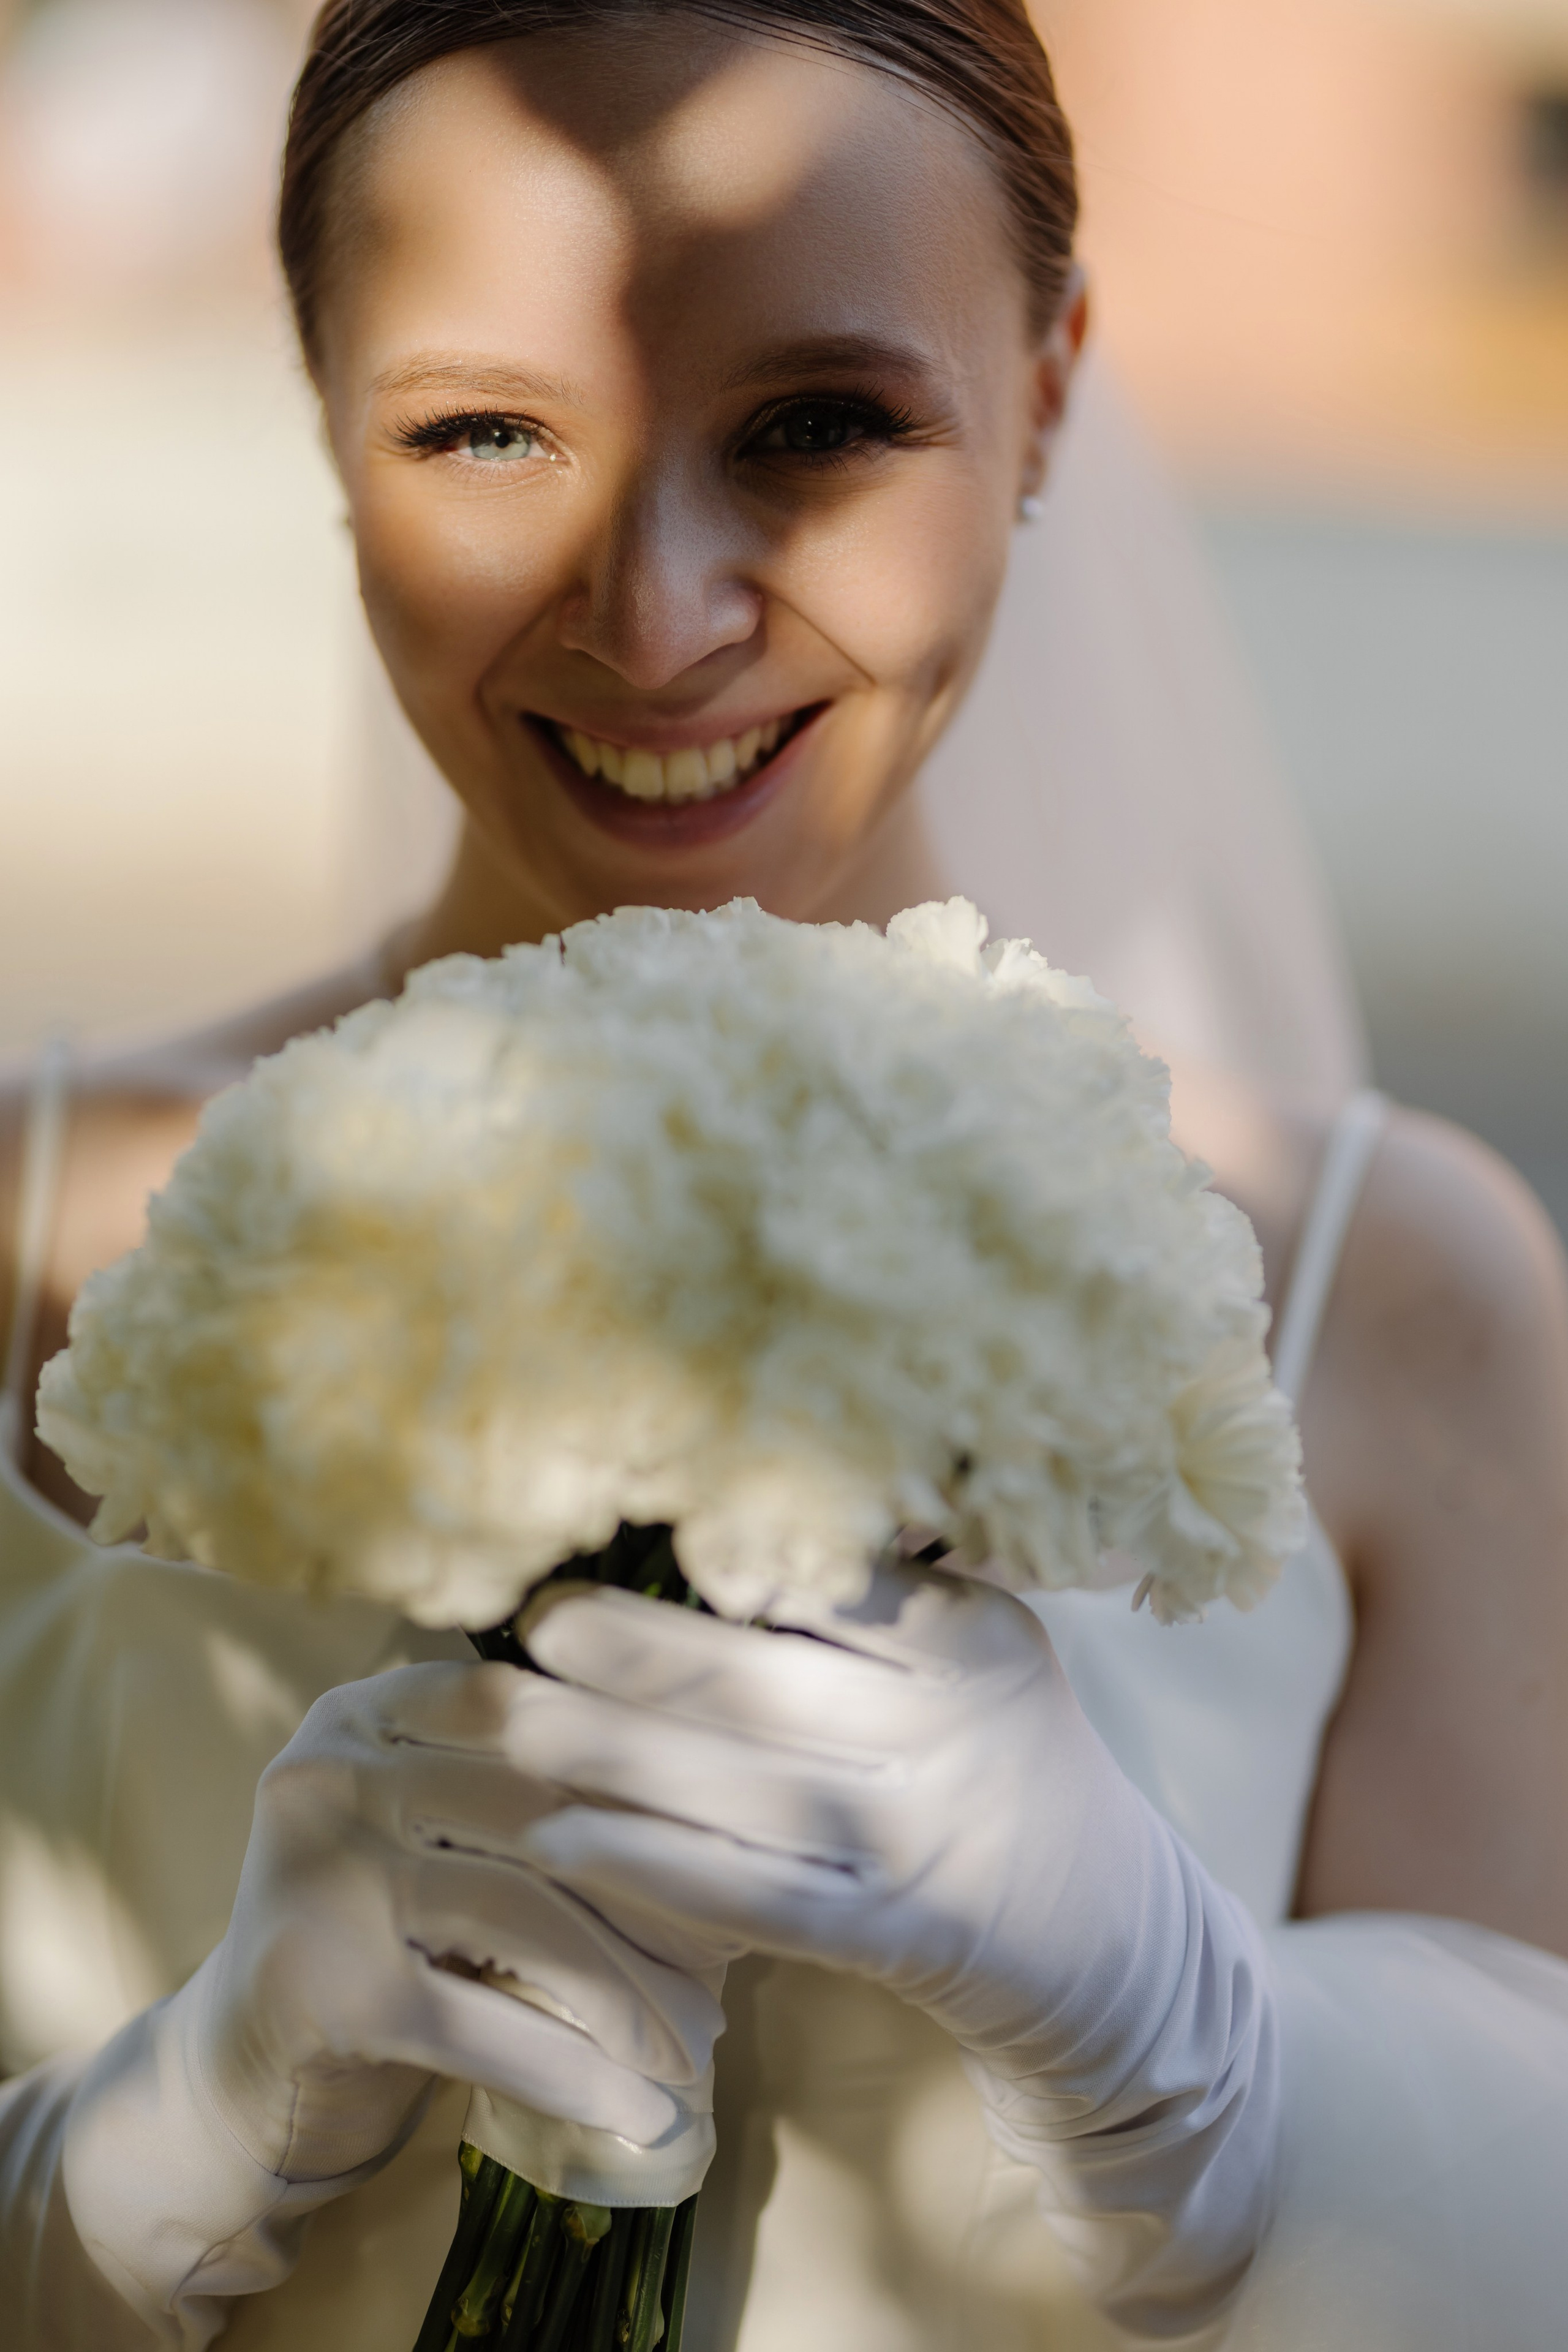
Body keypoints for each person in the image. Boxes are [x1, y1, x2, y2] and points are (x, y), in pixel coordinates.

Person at [4, 4, 1568, 2346]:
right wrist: (131, 2163)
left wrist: (1225, 2093)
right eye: (489, 430)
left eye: (819, 426)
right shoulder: (32, 1215)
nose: (658, 618)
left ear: (1048, 389)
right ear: (327, 419)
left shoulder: (1393, 1291)